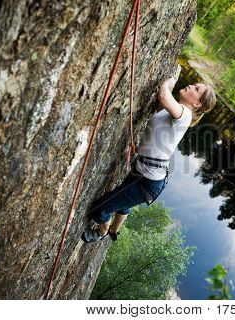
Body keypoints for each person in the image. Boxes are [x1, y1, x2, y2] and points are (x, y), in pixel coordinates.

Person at [81, 76, 217, 243]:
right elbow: (158, 135)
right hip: (145, 172)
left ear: (197, 104)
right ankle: (114, 231)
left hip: (148, 181)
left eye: (196, 89)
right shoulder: (174, 110)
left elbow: (164, 96)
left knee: (100, 209)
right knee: (123, 203)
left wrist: (169, 81)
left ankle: (102, 233)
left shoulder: (185, 115)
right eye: (195, 85)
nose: (190, 85)